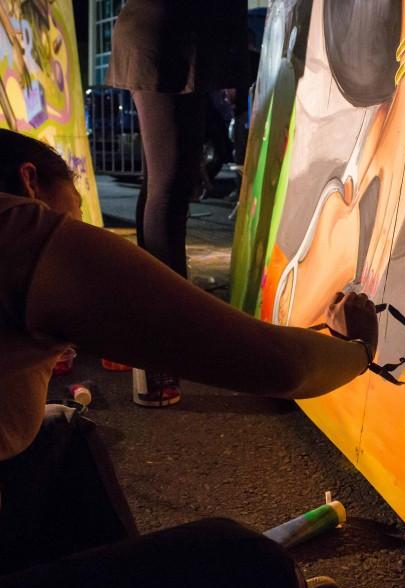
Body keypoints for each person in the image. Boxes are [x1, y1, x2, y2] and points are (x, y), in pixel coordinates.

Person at [0, 128, 377, 588]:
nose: (81, 231)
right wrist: (355, 350)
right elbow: (282, 366)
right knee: (245, 562)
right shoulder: (3, 233)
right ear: (30, 182)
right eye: (76, 215)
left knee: (61, 433)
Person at [107, 0, 252, 405]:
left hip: (172, 36)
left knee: (160, 186)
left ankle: (149, 337)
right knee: (168, 192)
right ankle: (162, 347)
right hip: (170, 38)